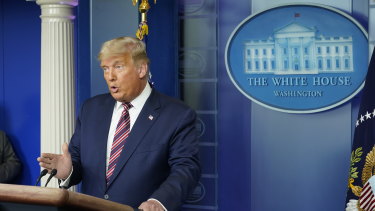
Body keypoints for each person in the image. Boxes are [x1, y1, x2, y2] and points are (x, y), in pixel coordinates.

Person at [37, 36, 201, 211]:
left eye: (118, 67)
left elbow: (186, 169)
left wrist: (158, 202)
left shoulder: (177, 115)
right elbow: (77, 160)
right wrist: (68, 171)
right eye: (106, 69)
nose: (110, 77)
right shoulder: (91, 109)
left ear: (141, 69)